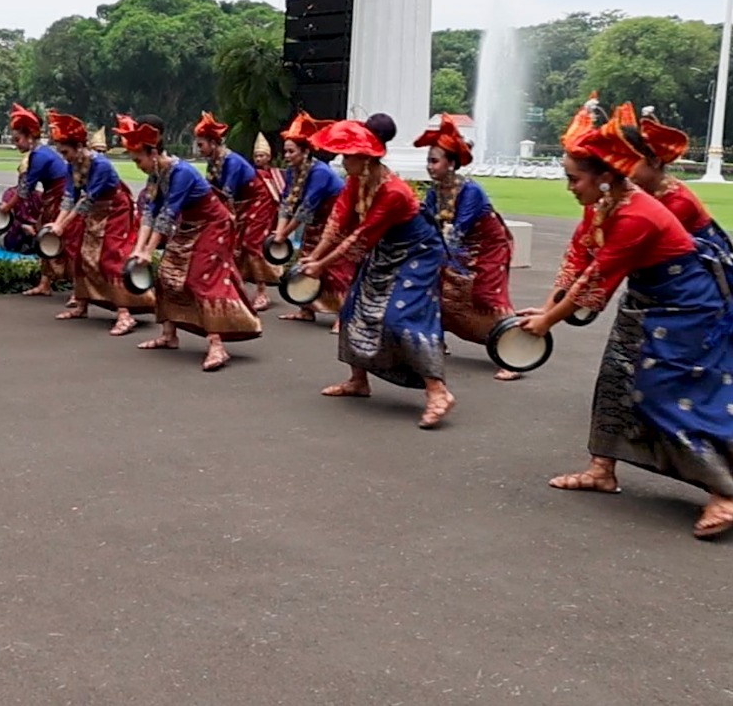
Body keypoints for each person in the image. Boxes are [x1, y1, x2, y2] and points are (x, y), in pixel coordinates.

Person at [521, 107, 733, 539]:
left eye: (573, 178)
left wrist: (547, 324)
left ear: (602, 176)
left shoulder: (638, 212)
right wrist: (545, 311)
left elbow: (593, 282)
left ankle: (724, 492)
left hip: (687, 306)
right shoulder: (604, 202)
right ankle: (602, 469)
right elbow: (580, 259)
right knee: (615, 377)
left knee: (663, 393)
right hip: (648, 295)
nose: (567, 187)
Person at [299, 114, 457, 429]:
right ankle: (358, 380)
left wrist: (321, 265)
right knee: (353, 308)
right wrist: (312, 258)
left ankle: (437, 392)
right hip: (385, 248)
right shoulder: (355, 182)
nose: (343, 161)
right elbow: (337, 223)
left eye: (348, 156)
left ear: (366, 158)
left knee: (402, 316)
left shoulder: (393, 191)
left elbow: (360, 236)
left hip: (418, 252)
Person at [123, 115, 261, 371]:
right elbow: (150, 213)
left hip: (213, 225)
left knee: (200, 279)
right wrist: (138, 250)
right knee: (166, 274)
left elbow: (167, 215)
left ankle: (217, 345)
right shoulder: (156, 173)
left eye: (137, 159)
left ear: (153, 153)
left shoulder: (181, 172)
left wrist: (147, 251)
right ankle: (169, 334)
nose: (137, 165)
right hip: (190, 225)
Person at [415, 115, 521, 381]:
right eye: (428, 160)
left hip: (488, 247)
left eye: (434, 161)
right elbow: (428, 224)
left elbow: (457, 232)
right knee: (437, 288)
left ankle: (516, 355)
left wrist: (430, 253)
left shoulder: (471, 191)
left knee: (487, 296)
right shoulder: (435, 191)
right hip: (458, 247)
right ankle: (437, 340)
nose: (429, 167)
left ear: (451, 164)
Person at [41, 112, 152, 335]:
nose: (64, 157)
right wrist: (57, 224)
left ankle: (124, 313)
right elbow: (69, 197)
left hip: (115, 210)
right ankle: (82, 304)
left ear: (79, 146)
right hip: (93, 210)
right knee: (81, 255)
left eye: (66, 152)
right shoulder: (71, 165)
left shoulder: (100, 165)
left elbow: (87, 199)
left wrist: (62, 226)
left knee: (111, 257)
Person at [269, 112, 350, 331]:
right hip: (316, 221)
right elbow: (286, 204)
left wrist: (283, 235)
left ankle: (343, 315)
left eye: (291, 151)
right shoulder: (291, 173)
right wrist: (279, 234)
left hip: (337, 220)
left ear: (305, 152)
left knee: (335, 267)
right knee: (306, 259)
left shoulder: (320, 172)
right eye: (285, 151)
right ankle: (306, 308)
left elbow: (305, 209)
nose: (286, 155)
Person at [193, 112, 281, 312]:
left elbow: (226, 192)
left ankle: (261, 292)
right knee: (234, 245)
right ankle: (237, 289)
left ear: (213, 143)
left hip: (258, 199)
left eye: (201, 145)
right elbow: (210, 189)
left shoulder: (230, 161)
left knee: (251, 244)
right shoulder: (213, 161)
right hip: (239, 202)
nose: (199, 149)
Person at [617, 105, 731, 254]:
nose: (620, 168)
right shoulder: (647, 190)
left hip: (704, 268)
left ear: (655, 161)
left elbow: (633, 243)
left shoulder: (678, 202)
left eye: (629, 161)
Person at [0, 104, 71, 298]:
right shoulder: (41, 153)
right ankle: (45, 283)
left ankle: (78, 291)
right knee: (43, 236)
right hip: (54, 197)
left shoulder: (39, 155)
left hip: (60, 198)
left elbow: (25, 190)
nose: (16, 144)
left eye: (18, 139)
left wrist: (6, 208)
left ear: (30, 136)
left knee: (63, 240)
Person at [0, 185, 43, 255]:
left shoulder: (39, 195)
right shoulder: (10, 193)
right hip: (12, 233)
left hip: (33, 232)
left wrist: (37, 228)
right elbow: (4, 214)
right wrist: (21, 226)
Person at [253, 133, 286, 205]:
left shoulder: (278, 173)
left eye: (261, 156)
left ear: (269, 157)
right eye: (256, 156)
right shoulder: (252, 174)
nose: (258, 159)